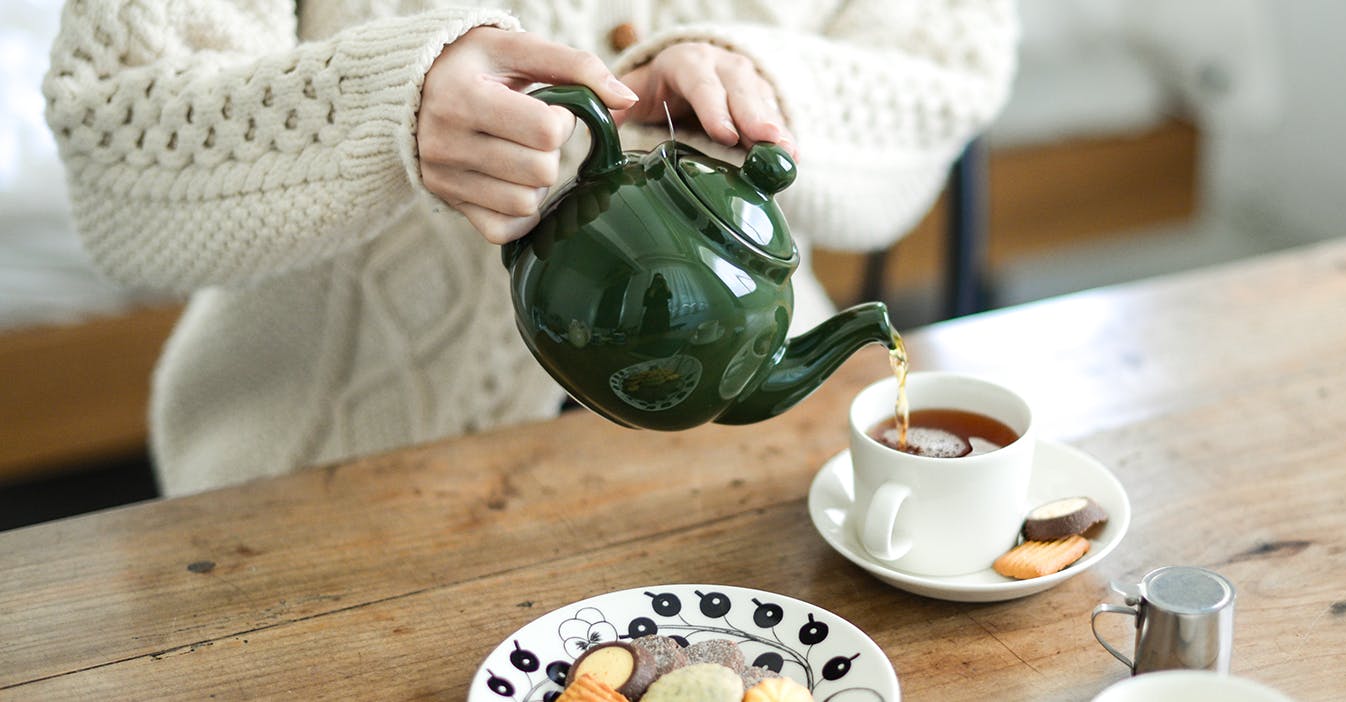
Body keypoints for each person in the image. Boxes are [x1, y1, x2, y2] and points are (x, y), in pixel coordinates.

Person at [44, 0, 1018, 496]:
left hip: (746, 473)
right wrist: (383, 105)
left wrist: (758, 78)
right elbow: (116, 155)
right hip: (330, 483)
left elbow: (938, 65)